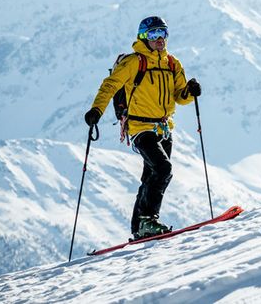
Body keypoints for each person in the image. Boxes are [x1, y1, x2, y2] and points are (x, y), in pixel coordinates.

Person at [84, 16, 202, 239]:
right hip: (140, 127)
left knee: (150, 177)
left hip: (164, 128)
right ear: (143, 37)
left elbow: (179, 96)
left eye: (163, 34)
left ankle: (138, 228)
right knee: (163, 169)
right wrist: (96, 111)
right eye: (154, 34)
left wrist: (190, 91)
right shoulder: (134, 62)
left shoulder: (172, 63)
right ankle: (148, 220)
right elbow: (110, 86)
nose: (160, 39)